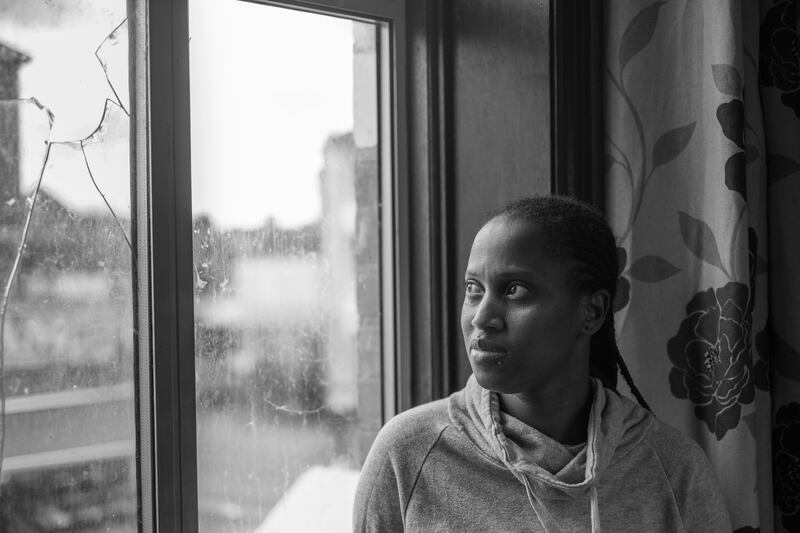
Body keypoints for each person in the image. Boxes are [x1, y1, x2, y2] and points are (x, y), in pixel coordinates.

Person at [353, 195, 732, 532]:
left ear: (592, 311)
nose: (482, 317)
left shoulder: (673, 470)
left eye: (515, 290)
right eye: (474, 289)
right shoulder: (408, 454)